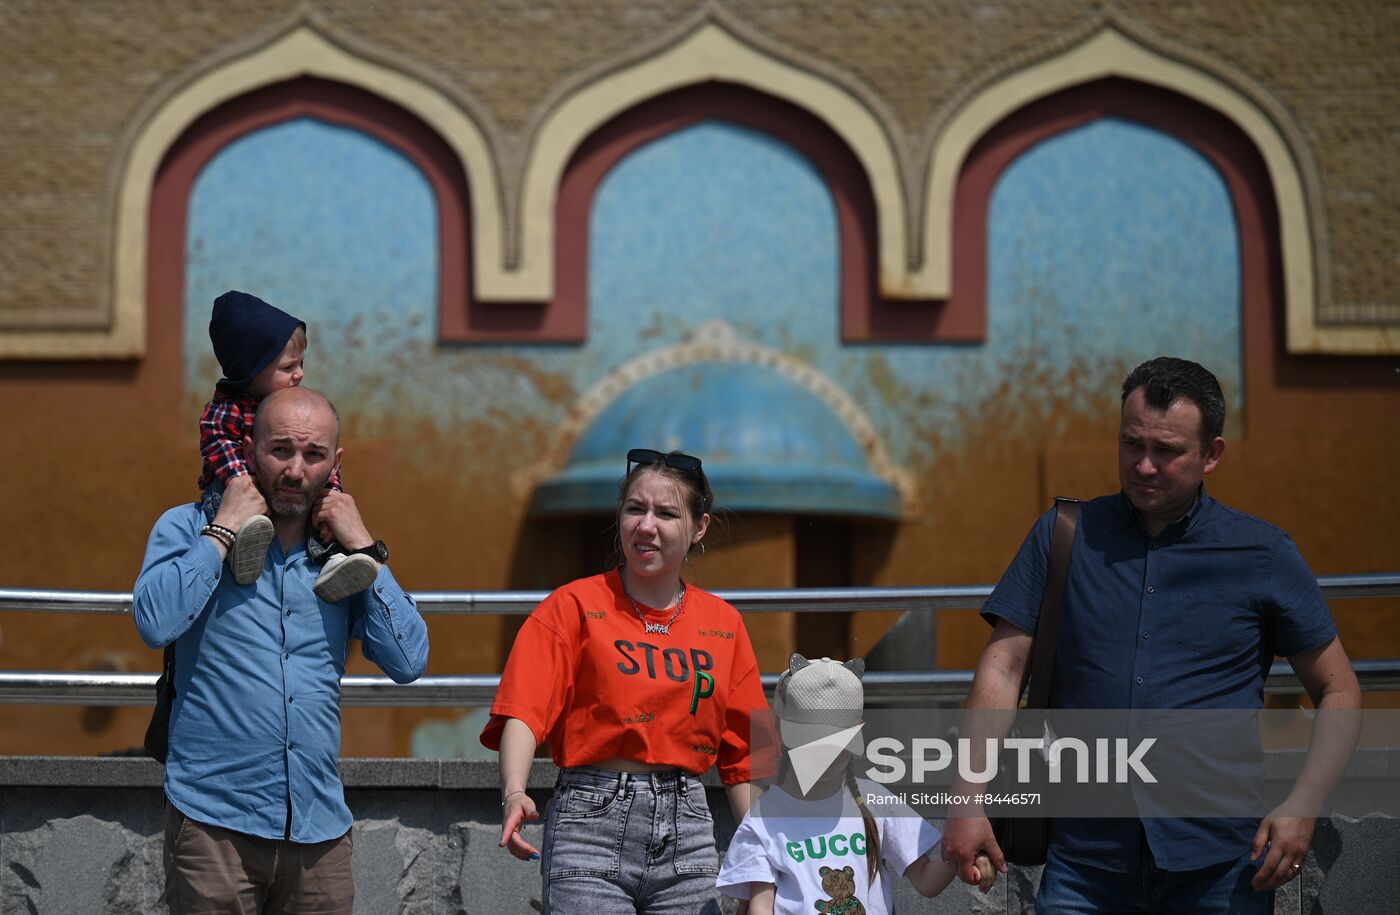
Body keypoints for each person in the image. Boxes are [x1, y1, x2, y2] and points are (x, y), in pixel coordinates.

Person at [941, 356, 1362, 913]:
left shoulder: (1263, 554)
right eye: (1130, 444)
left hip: (1219, 865)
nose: (1143, 466)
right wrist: (966, 800)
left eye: (1166, 451)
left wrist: (1304, 804)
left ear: (1212, 454)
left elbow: (1340, 690)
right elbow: (1002, 668)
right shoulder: (1064, 536)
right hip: (1083, 862)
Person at [134, 386, 429, 914]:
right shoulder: (187, 526)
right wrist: (222, 531)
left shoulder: (341, 555)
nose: (296, 470)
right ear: (249, 448)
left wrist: (366, 548)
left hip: (319, 828)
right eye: (281, 451)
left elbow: (409, 663)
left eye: (313, 455)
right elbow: (154, 623)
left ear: (335, 463)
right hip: (213, 821)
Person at [481, 448, 772, 914]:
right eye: (635, 509)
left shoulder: (725, 623)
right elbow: (524, 709)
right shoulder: (572, 605)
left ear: (699, 528)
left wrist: (760, 859)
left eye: (666, 513)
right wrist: (514, 790)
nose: (646, 525)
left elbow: (747, 755)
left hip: (690, 831)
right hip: (589, 823)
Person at [717, 654, 995, 914]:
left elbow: (926, 880)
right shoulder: (763, 817)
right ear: (780, 728)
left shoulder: (875, 800)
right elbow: (760, 906)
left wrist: (961, 854)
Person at [199, 289, 377, 601]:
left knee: (324, 516)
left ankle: (334, 562)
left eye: (301, 363)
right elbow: (219, 445)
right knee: (233, 507)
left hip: (284, 496)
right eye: (287, 368)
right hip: (235, 490)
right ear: (251, 369)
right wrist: (243, 482)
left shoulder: (298, 410)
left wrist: (331, 493)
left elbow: (321, 462)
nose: (300, 374)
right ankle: (240, 549)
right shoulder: (228, 408)